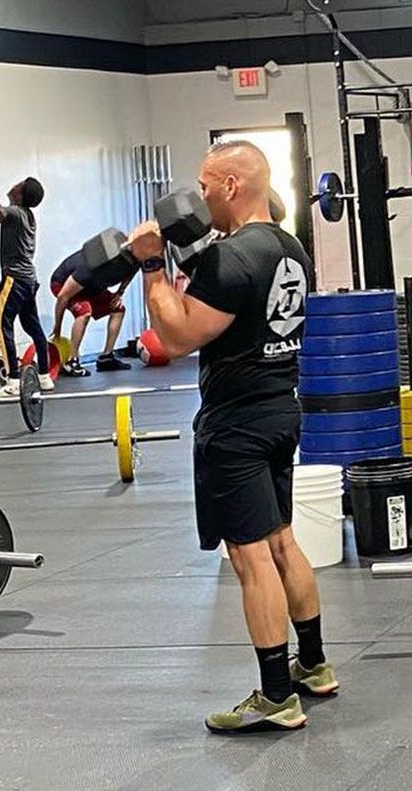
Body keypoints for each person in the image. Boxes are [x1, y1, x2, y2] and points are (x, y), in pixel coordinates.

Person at [125, 142, 327, 734]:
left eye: (206, 184)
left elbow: (176, 337)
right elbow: (233, 297)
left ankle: (276, 696)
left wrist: (151, 266)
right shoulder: (290, 248)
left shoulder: (231, 258)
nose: (200, 195)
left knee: (250, 556)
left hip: (236, 425)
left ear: (232, 185)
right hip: (282, 410)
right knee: (282, 540)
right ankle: (313, 665)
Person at [0, 167, 55, 397]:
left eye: (18, 184)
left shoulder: (15, 213)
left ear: (19, 194)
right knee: (32, 326)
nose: (14, 184)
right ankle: (44, 376)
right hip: (28, 280)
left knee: (1, 328)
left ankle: (13, 381)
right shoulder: (24, 214)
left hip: (14, 280)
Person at [48, 249, 133, 377]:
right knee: (84, 312)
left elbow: (131, 272)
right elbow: (63, 297)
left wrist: (120, 292)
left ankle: (107, 358)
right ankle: (72, 361)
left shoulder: (130, 261)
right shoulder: (87, 269)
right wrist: (57, 326)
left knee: (118, 308)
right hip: (63, 285)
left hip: (90, 287)